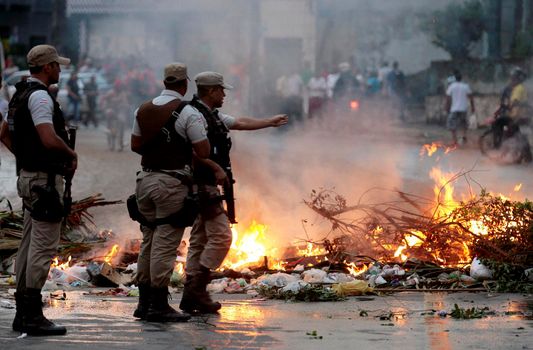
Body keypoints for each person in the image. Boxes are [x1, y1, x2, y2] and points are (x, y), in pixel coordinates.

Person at [179, 71, 288, 314]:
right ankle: (198, 288)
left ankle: (190, 295)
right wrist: (215, 168)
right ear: (210, 91)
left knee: (198, 239)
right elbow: (195, 151)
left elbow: (239, 122)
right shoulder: (195, 115)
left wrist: (269, 122)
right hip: (201, 185)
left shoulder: (211, 114)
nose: (224, 94)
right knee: (222, 237)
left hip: (206, 185)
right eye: (221, 90)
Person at [0, 44, 77, 336]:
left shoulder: (19, 94)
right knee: (42, 248)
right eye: (57, 65)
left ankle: (24, 313)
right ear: (47, 67)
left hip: (29, 178)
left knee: (29, 244)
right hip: (44, 182)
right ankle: (31, 315)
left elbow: (4, 134)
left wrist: (25, 157)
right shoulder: (41, 97)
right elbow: (48, 137)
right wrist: (70, 153)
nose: (59, 69)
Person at [130, 63, 210, 323]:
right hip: (171, 183)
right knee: (165, 244)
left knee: (148, 241)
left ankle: (143, 303)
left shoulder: (142, 109)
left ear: (165, 82)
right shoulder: (187, 111)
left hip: (144, 181)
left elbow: (135, 145)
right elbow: (204, 150)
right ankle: (158, 305)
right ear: (185, 84)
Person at [492, 68, 529, 148]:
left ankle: (498, 143)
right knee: (514, 131)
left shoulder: (518, 89)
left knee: (497, 123)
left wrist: (507, 107)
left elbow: (515, 102)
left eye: (513, 78)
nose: (511, 80)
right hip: (519, 114)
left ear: (517, 79)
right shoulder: (519, 88)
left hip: (516, 115)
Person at [445, 70, 475, 146]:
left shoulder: (452, 86)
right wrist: (472, 107)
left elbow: (448, 98)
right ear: (461, 78)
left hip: (454, 109)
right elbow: (471, 97)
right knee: (463, 124)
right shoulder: (465, 86)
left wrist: (447, 107)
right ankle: (464, 136)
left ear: (455, 78)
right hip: (463, 108)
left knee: (452, 125)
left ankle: (455, 140)